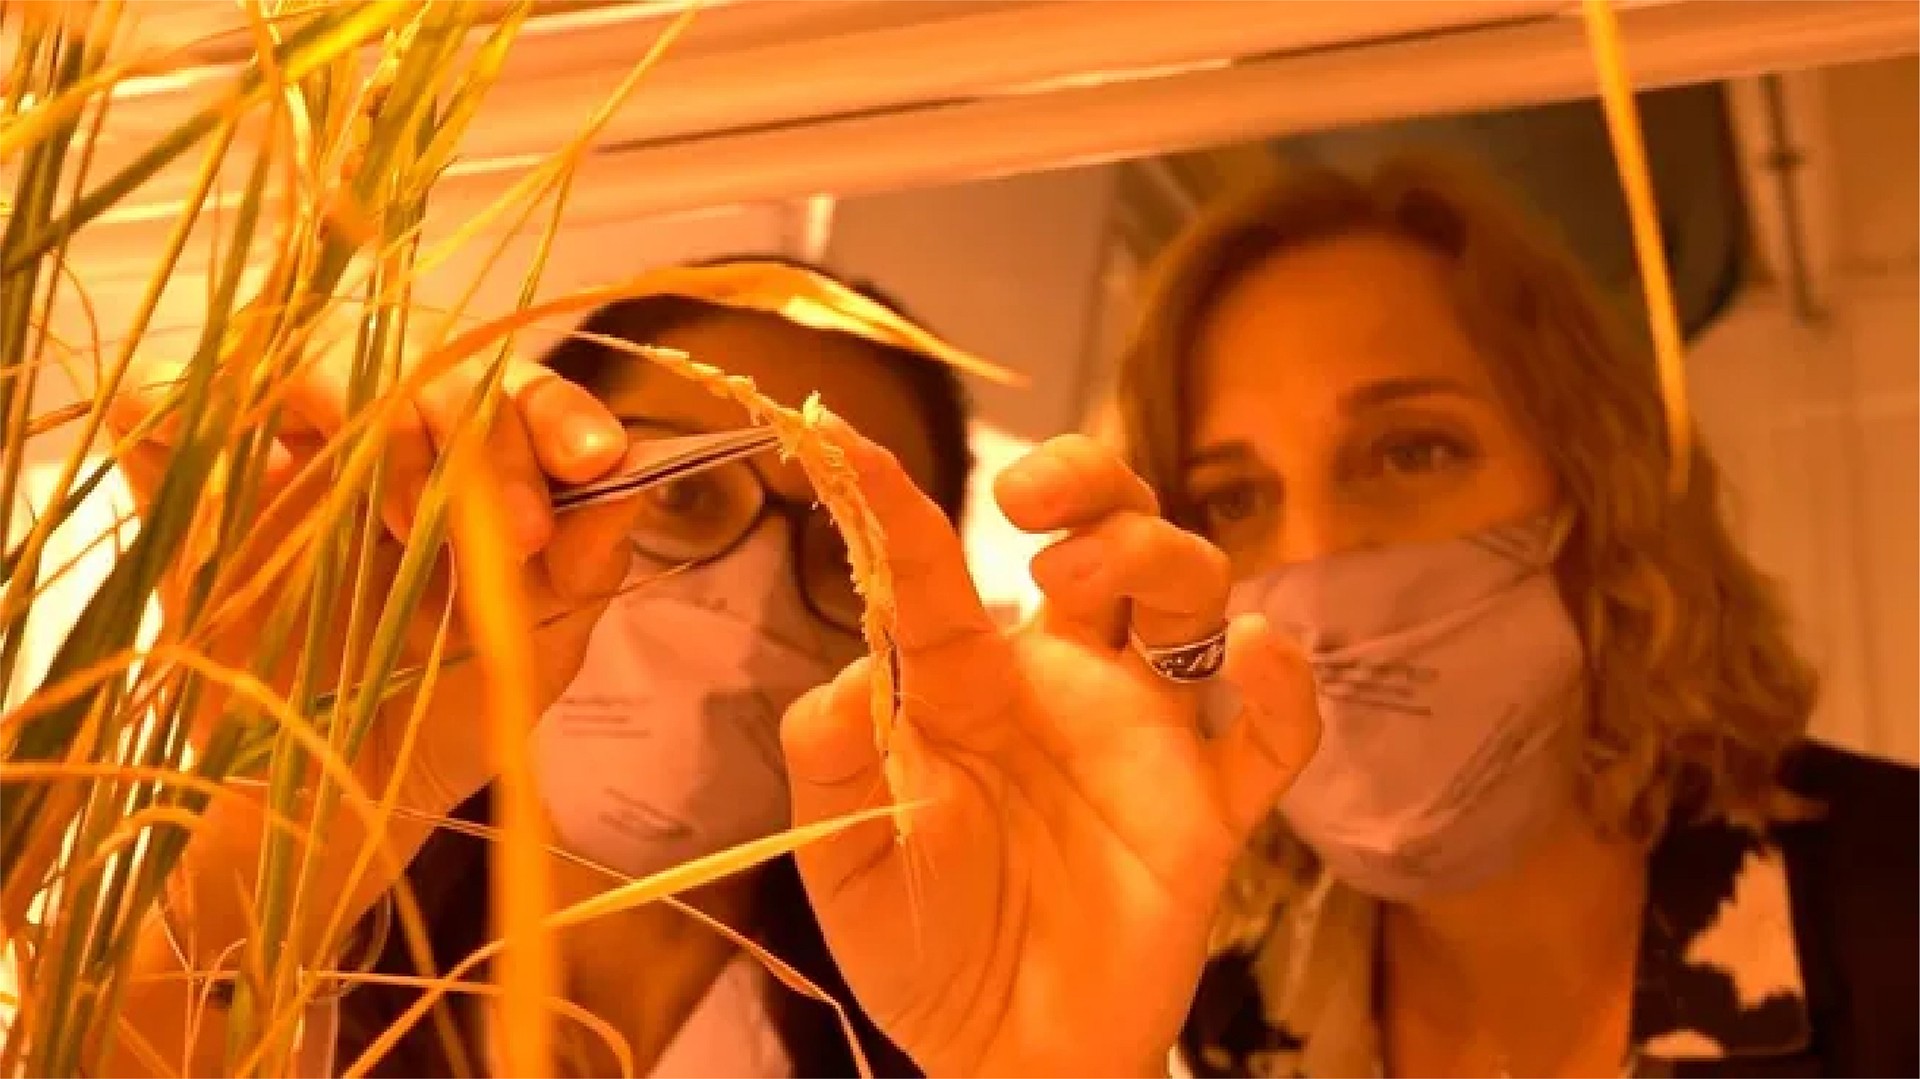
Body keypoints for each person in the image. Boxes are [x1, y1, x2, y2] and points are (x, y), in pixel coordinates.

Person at [769, 156, 1918, 1078]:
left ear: (1595, 490)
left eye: (1411, 450)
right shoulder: (1225, 999)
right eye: (1235, 498)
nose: (1314, 556)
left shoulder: (1890, 907)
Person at [333, 255, 972, 1078]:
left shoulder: (944, 1043)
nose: (746, 629)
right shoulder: (303, 963)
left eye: (849, 551)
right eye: (681, 493)